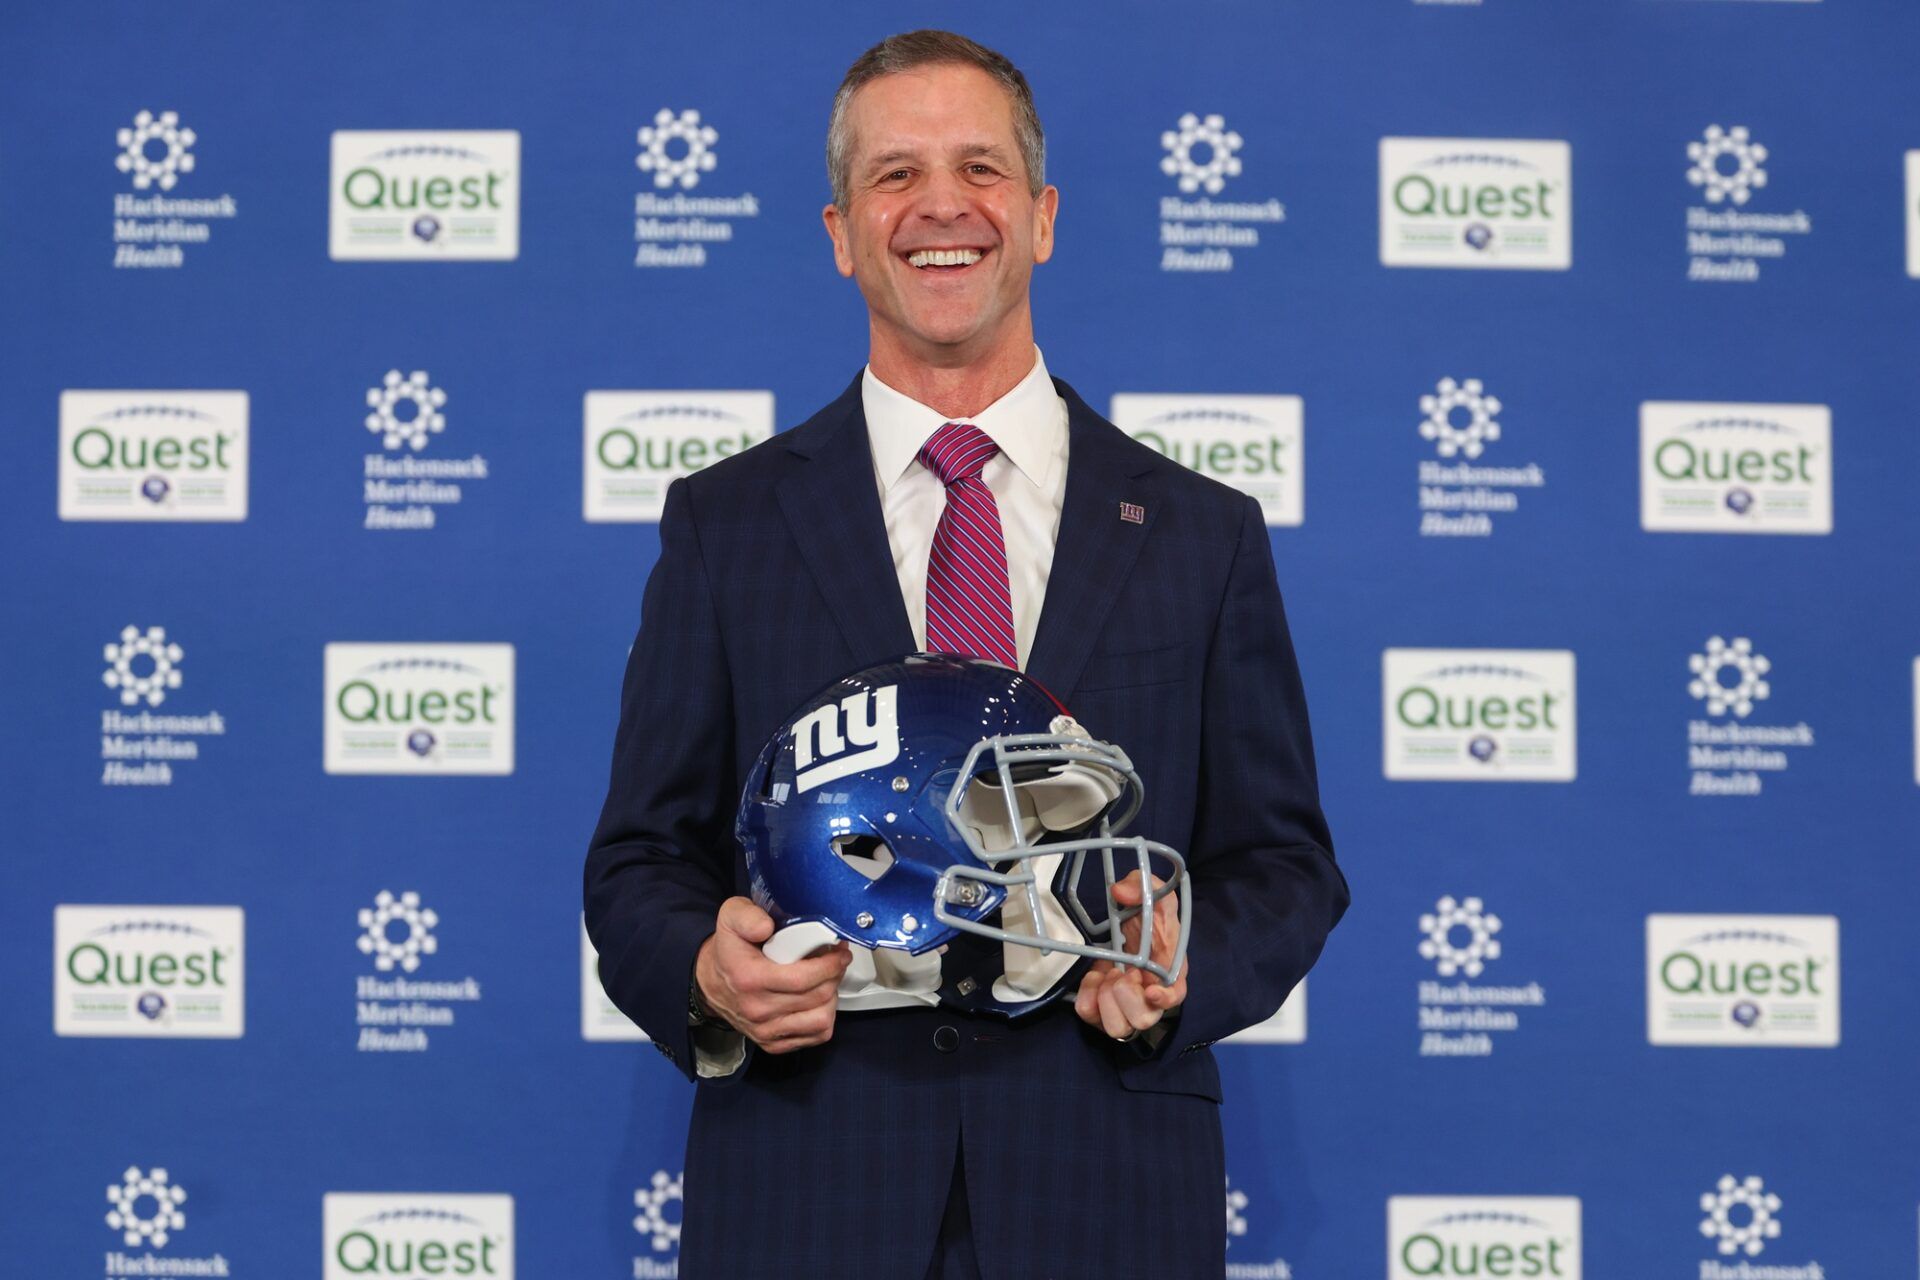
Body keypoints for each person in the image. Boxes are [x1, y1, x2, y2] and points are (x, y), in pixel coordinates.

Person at [584, 29, 1349, 1279]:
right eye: (896, 175)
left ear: (1041, 217)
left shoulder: (1203, 534)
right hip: (807, 1187)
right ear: (839, 233)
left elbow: (1285, 859)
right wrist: (708, 973)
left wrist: (1177, 958)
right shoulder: (727, 524)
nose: (942, 205)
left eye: (980, 169)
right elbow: (636, 861)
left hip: (1105, 1193)